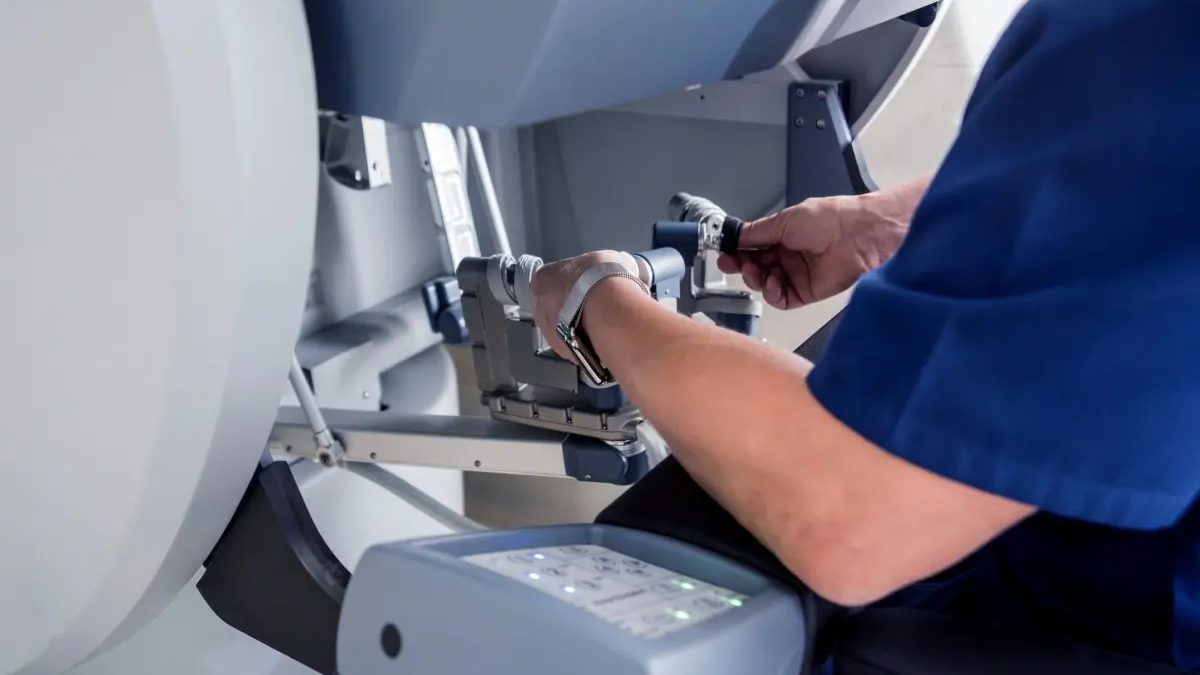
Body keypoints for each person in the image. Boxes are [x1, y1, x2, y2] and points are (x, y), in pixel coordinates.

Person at [530, 0, 1200, 669]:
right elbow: (1118, 185)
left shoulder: (1147, 39)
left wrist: (595, 298)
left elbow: (851, 525)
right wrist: (898, 221)